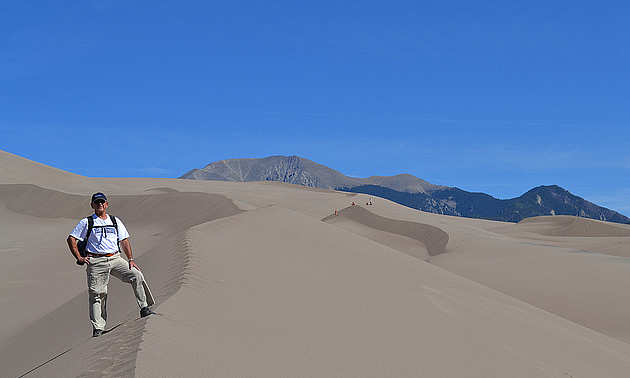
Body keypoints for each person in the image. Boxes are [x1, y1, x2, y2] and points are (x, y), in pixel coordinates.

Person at [67, 192, 154, 337]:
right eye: (97, 202)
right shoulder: (86, 222)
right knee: (97, 294)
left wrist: (131, 259)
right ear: (92, 205)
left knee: (136, 275)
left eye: (102, 202)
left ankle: (144, 307)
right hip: (96, 262)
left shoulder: (114, 221)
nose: (100, 204)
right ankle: (98, 328)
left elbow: (124, 240)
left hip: (115, 258)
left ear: (106, 204)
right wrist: (79, 257)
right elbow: (71, 239)